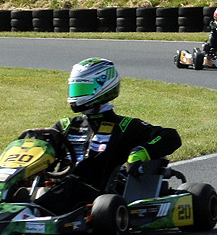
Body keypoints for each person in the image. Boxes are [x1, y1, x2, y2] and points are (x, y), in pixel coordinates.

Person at [29, 58, 181, 214]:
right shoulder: (65, 126)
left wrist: (142, 151)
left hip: (97, 198)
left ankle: (33, 213)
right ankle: (13, 207)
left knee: (71, 184)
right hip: (58, 189)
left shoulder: (124, 126)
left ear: (103, 86)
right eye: (76, 87)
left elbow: (170, 136)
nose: (77, 94)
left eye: (82, 87)